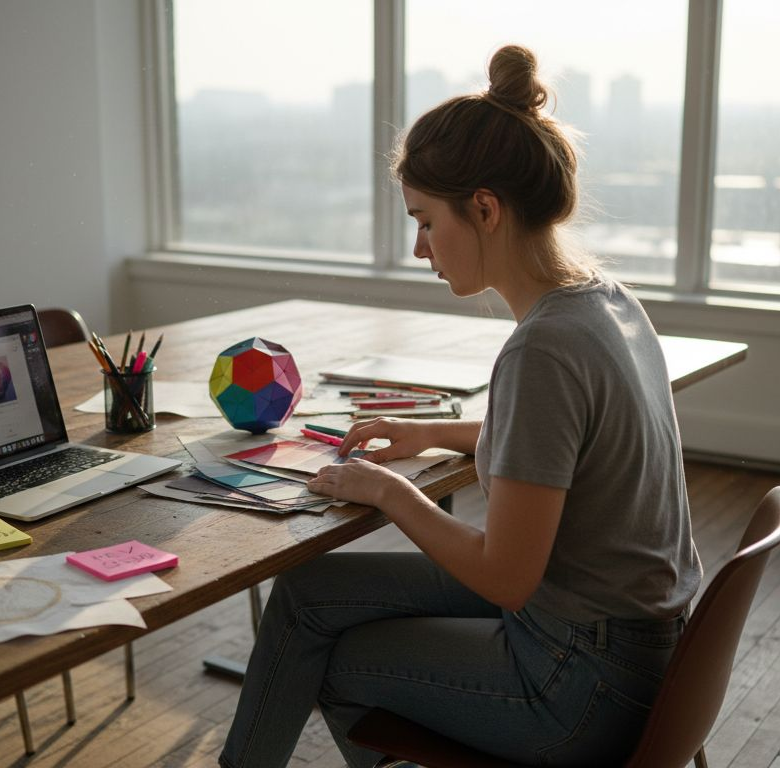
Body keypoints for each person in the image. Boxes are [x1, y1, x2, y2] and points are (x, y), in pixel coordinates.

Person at [218, 44, 701, 768]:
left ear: (484, 208)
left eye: (424, 222)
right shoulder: (604, 300)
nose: (420, 249)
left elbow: (507, 576)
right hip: (634, 645)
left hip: (581, 681)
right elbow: (575, 443)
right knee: (309, 593)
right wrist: (432, 433)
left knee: (337, 658)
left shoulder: (540, 349)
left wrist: (390, 490)